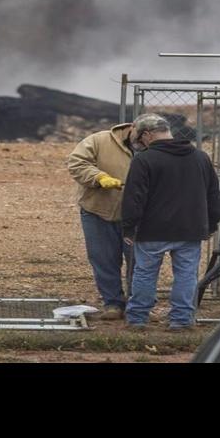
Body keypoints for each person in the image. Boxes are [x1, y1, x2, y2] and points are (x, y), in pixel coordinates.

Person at [120, 113, 220, 331]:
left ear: (147, 135)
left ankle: (137, 318)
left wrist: (129, 227)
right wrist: (212, 223)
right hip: (190, 228)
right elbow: (213, 194)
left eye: (138, 138)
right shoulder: (200, 157)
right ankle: (182, 320)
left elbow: (134, 198)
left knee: (145, 273)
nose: (138, 143)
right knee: (186, 274)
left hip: (152, 229)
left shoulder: (144, 160)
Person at [67, 119, 151, 320]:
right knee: (103, 259)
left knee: (139, 261)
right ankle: (112, 303)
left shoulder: (155, 147)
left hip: (139, 216)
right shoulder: (99, 140)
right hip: (98, 210)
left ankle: (138, 305)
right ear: (133, 129)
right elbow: (77, 163)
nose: (144, 142)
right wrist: (98, 178)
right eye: (142, 137)